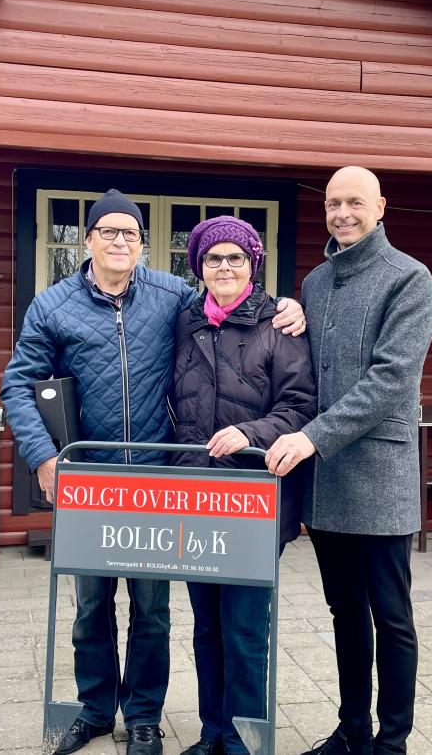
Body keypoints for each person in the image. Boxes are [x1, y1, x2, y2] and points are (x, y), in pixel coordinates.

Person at [0, 189, 306, 755]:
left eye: (131, 234)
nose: (120, 242)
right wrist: (44, 457)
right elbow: (19, 384)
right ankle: (94, 708)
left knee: (152, 607)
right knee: (92, 605)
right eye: (108, 232)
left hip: (158, 480)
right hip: (89, 480)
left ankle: (144, 715)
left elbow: (232, 300)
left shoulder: (171, 296)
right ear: (88, 240)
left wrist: (287, 306)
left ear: (143, 244)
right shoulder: (52, 306)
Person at [265, 167, 432, 755]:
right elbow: (309, 365)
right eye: (334, 203)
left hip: (379, 476)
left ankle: (391, 743)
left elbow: (390, 379)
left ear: (381, 206)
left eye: (355, 203)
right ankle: (352, 732)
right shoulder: (315, 282)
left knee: (390, 618)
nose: (343, 212)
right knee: (344, 613)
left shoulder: (410, 280)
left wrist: (312, 437)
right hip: (328, 481)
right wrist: (291, 318)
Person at [171, 216, 317, 755]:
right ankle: (212, 731)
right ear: (199, 267)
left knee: (245, 628)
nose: (225, 266)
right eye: (213, 258)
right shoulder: (184, 322)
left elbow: (301, 406)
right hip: (194, 493)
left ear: (252, 265)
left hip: (253, 497)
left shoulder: (279, 324)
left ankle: (243, 739)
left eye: (236, 257)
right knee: (206, 624)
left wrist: (248, 432)